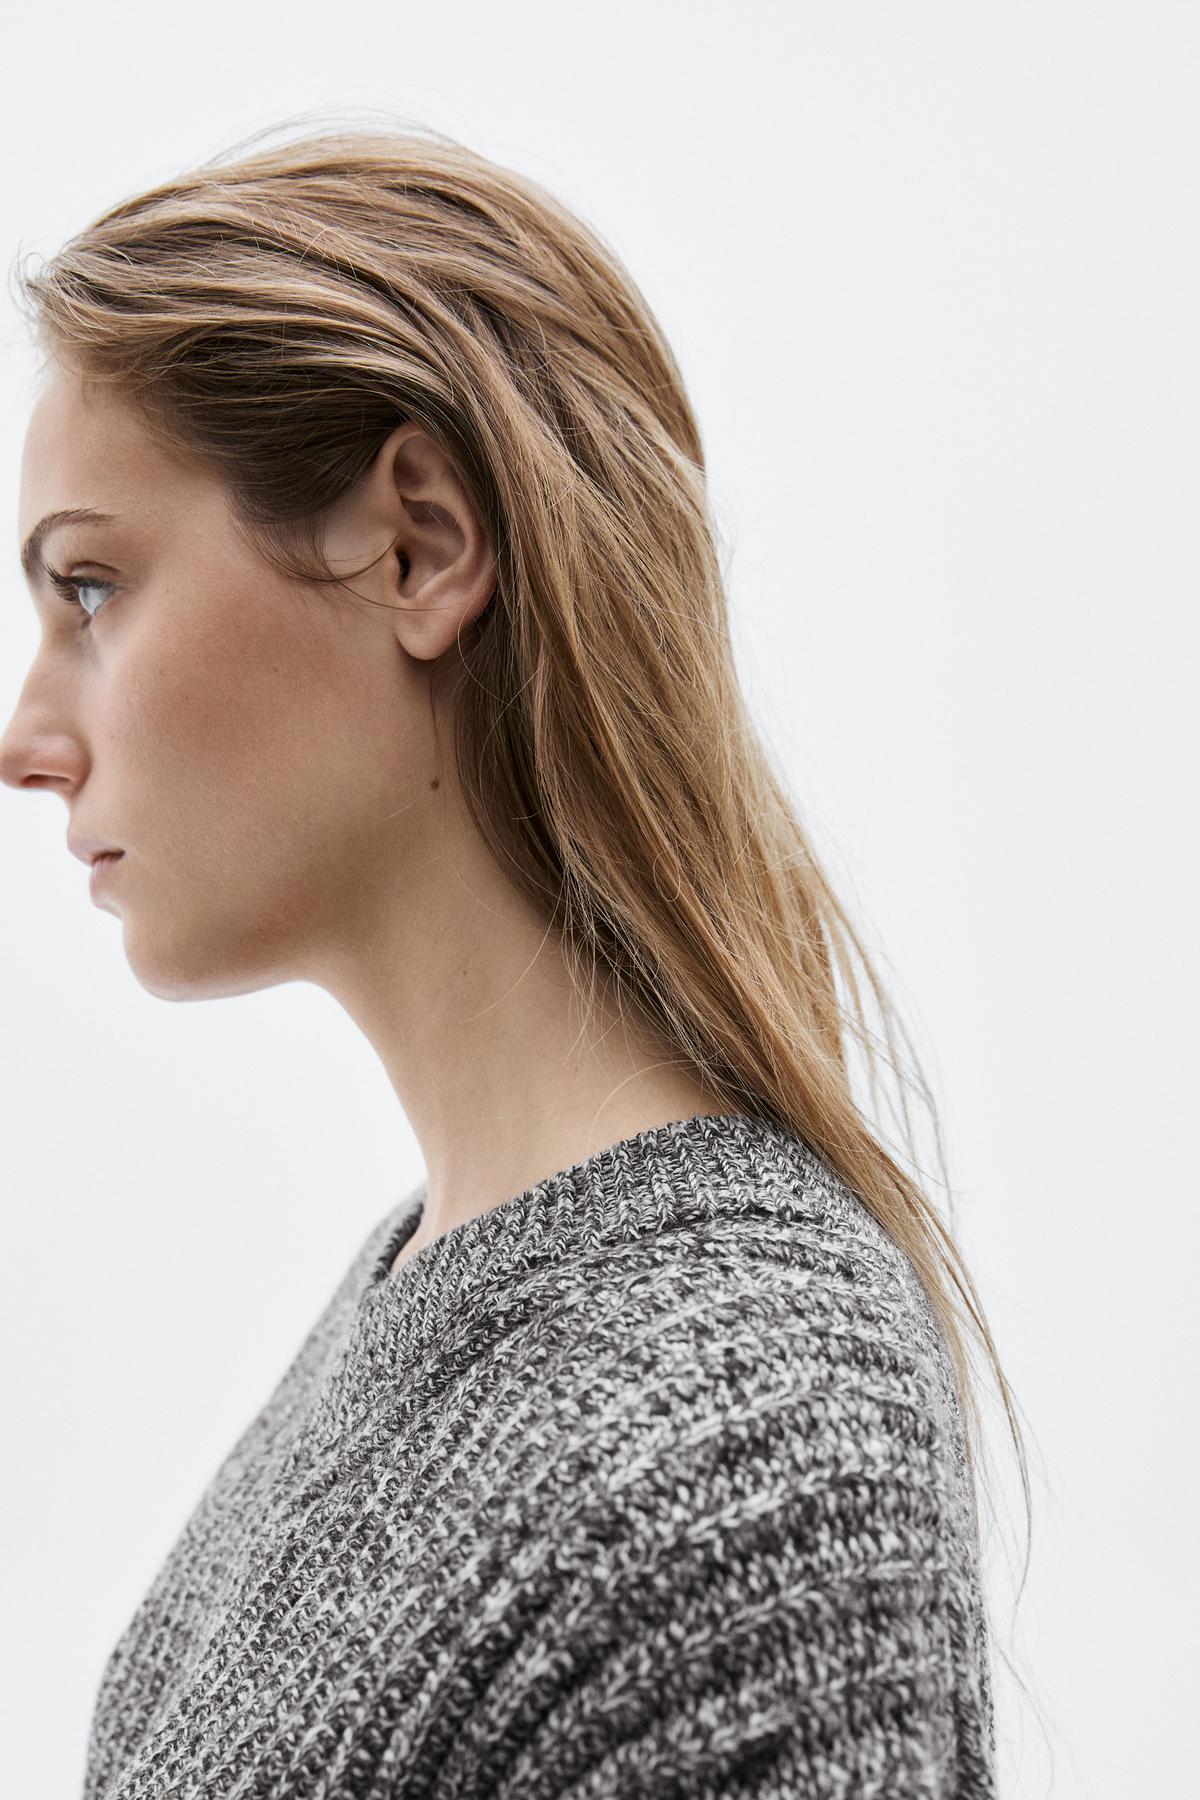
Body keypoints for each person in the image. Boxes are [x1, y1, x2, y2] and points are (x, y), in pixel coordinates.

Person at [1, 121, 1019, 1798]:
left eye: (92, 589)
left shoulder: (737, 1428)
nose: (29, 741)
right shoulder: (428, 1284)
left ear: (417, 545)